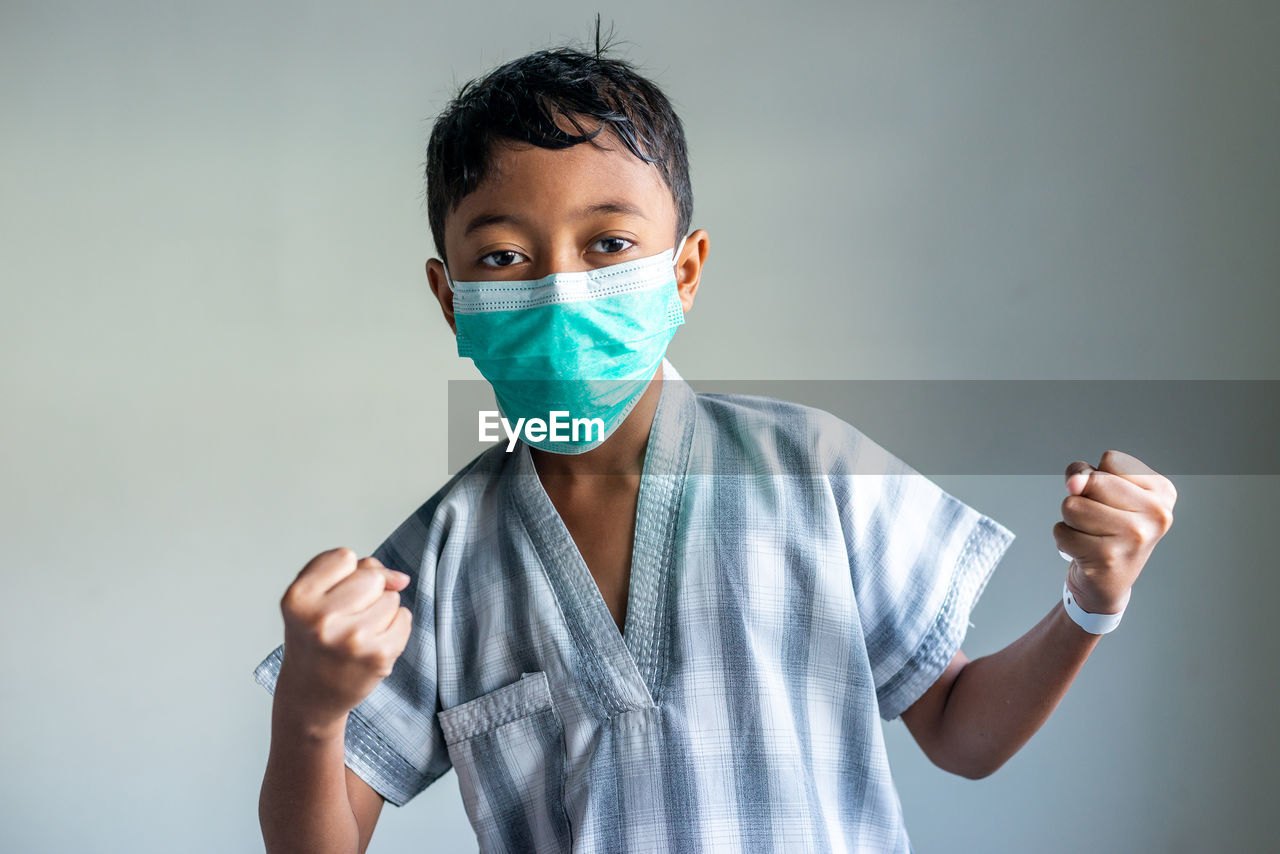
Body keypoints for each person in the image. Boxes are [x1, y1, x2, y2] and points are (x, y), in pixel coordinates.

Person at [253, 27, 1177, 854]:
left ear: (684, 271)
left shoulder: (812, 469)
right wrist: (308, 708)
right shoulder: (443, 559)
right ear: (451, 299)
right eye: (504, 257)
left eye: (608, 245)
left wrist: (1092, 601)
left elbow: (961, 734)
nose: (562, 290)